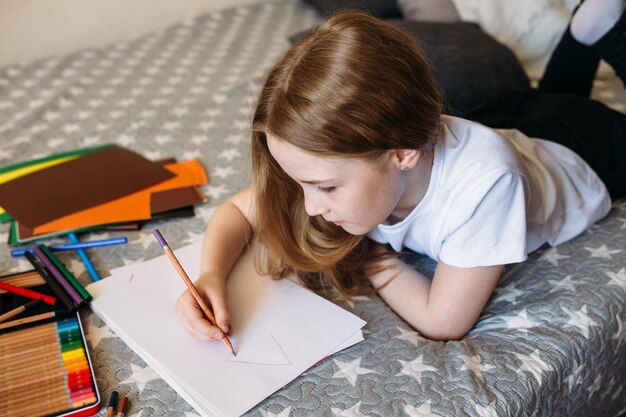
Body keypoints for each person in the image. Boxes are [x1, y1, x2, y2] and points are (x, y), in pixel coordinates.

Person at [176, 0, 626, 342]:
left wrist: (373, 256)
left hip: (582, 153)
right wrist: (210, 275)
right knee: (546, 99)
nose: (310, 207)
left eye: (326, 187)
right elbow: (241, 210)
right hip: (511, 119)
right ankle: (583, 39)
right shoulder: (342, 158)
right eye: (302, 185)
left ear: (403, 153)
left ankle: (604, 41)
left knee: (580, 111)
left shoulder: (488, 186)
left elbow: (443, 321)